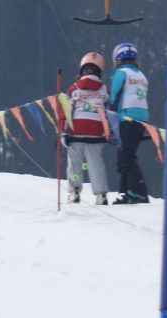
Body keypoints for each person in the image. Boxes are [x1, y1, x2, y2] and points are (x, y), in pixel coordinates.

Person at [63, 52, 110, 205]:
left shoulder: (74, 88)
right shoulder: (104, 90)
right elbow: (109, 111)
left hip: (76, 129)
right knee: (96, 164)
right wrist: (109, 131)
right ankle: (101, 194)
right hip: (96, 132)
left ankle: (74, 191)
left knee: (76, 164)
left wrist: (64, 132)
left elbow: (67, 110)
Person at [109, 42, 150, 204]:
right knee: (126, 155)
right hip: (141, 119)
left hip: (126, 118)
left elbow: (115, 98)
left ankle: (139, 193)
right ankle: (127, 192)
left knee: (126, 158)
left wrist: (110, 122)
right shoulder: (141, 75)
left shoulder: (121, 73)